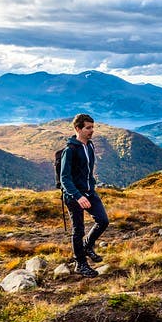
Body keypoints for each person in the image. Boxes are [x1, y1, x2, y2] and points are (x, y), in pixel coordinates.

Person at [60, 113, 109, 278]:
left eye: (92, 127)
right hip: (74, 196)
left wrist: (91, 187)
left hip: (89, 192)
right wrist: (78, 196)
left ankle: (88, 245)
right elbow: (64, 178)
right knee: (78, 230)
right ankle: (80, 263)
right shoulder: (70, 150)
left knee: (103, 220)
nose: (92, 131)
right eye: (88, 128)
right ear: (77, 129)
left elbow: (88, 171)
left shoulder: (90, 146)